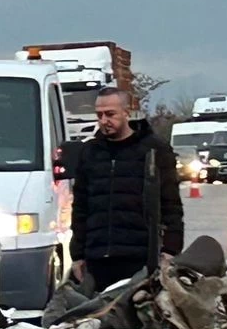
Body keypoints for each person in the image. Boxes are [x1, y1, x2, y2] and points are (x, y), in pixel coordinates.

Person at [66, 87, 182, 291]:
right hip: (97, 260)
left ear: (127, 112)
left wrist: (170, 250)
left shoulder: (154, 150)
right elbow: (80, 208)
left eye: (110, 114)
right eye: (99, 115)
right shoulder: (90, 153)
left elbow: (171, 204)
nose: (104, 120)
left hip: (140, 259)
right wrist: (77, 255)